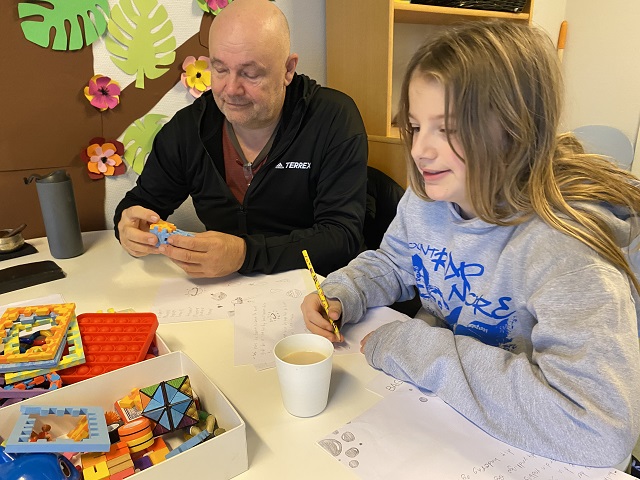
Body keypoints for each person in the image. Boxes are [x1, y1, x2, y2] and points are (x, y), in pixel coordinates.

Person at [301, 21, 640, 469]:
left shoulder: (567, 251)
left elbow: (597, 429)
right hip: (444, 417)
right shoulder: (428, 197)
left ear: (516, 132)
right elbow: (399, 262)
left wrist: (416, 349)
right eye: (416, 126)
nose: (421, 150)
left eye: (449, 129)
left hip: (530, 451)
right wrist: (346, 291)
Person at [114, 0, 367, 278]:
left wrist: (244, 254)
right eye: (220, 70)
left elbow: (342, 238)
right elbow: (142, 205)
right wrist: (129, 227)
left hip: (316, 290)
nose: (231, 89)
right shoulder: (188, 129)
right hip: (221, 294)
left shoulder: (332, 119)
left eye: (250, 73)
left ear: (288, 69)